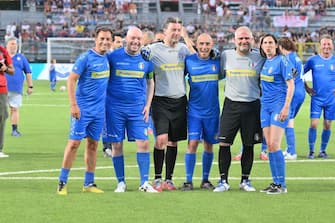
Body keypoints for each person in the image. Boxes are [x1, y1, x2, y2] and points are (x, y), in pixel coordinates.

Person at [141, 17, 195, 192]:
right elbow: (138, 55)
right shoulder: (153, 50)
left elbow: (196, 59)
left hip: (180, 101)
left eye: (179, 30)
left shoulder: (183, 49)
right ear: (165, 31)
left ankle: (169, 179)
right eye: (173, 30)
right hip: (160, 101)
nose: (176, 33)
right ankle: (157, 178)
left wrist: (188, 39)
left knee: (173, 142)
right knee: (161, 139)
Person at [57, 26, 112, 195]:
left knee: (93, 145)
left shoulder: (108, 59)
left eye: (107, 39)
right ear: (95, 39)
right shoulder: (85, 58)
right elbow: (71, 80)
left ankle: (89, 183)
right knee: (74, 143)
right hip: (82, 110)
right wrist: (73, 105)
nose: (104, 42)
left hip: (99, 111)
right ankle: (62, 182)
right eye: (102, 38)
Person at [104, 26, 156, 193]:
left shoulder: (147, 60)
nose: (135, 41)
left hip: (138, 109)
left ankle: (145, 182)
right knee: (117, 145)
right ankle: (121, 183)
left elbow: (150, 83)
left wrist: (148, 105)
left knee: (144, 143)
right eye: (133, 38)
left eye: (139, 39)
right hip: (115, 109)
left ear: (142, 41)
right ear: (126, 39)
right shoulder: (113, 57)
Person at [214, 26, 265, 192]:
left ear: (252, 39)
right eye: (240, 39)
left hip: (252, 105)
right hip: (231, 105)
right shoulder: (225, 56)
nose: (244, 41)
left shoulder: (260, 56)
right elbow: (218, 74)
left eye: (247, 38)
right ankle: (223, 181)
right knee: (223, 143)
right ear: (234, 40)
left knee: (249, 145)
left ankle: (245, 180)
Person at [180, 33, 220, 191]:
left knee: (209, 145)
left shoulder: (218, 61)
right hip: (194, 111)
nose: (204, 47)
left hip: (213, 112)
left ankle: (205, 180)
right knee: (193, 143)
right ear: (196, 44)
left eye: (207, 44)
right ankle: (188, 181)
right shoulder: (189, 61)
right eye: (201, 43)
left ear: (212, 44)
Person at [259, 34, 294, 195]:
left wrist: (286, 107)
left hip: (279, 106)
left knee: (274, 144)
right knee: (269, 145)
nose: (268, 45)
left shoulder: (282, 60)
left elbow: (291, 85)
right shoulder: (265, 61)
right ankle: (275, 182)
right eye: (265, 43)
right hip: (265, 106)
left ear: (276, 45)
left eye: (270, 42)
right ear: (261, 46)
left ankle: (282, 184)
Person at [304, 34, 335, 159]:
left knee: (327, 124)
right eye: (324, 44)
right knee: (314, 124)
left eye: (329, 44)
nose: (326, 46)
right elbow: (300, 74)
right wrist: (307, 88)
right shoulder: (313, 60)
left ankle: (322, 150)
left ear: (332, 46)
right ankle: (311, 150)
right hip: (317, 98)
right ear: (320, 46)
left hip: (331, 99)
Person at [278, 37, 305, 160]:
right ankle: (289, 149)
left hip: (293, 92)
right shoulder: (297, 57)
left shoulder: (287, 58)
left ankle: (292, 152)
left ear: (282, 47)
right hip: (301, 91)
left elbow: (290, 77)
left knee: (289, 120)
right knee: (290, 118)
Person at [5, 37, 33, 137]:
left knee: (14, 109)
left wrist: (30, 86)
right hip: (2, 88)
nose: (14, 46)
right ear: (6, 45)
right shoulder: (2, 57)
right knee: (2, 111)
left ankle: (15, 130)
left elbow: (28, 72)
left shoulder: (21, 58)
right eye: (12, 44)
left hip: (16, 89)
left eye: (15, 44)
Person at [0, 45, 15, 158]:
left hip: (1, 89)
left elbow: (12, 71)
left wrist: (5, 69)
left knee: (2, 116)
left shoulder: (3, 51)